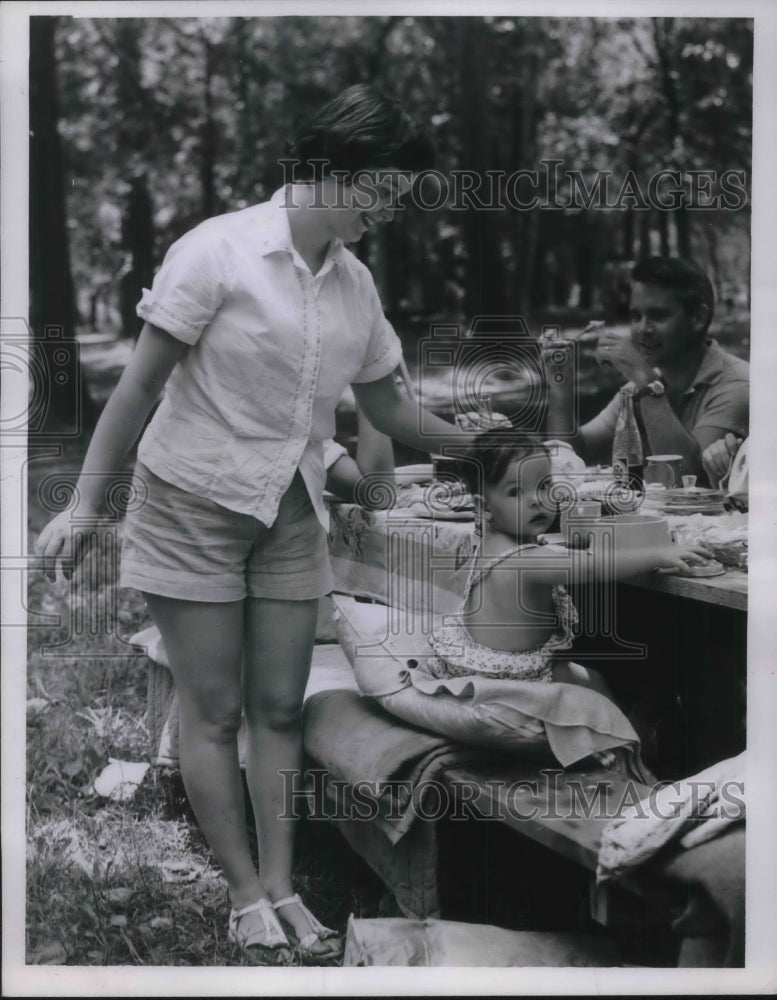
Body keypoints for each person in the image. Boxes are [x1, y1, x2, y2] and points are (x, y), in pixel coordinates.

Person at [36, 85, 477, 964]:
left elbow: (391, 404)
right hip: (190, 499)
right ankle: (243, 894)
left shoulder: (355, 284)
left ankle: (283, 886)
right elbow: (136, 389)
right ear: (335, 172)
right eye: (385, 188)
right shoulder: (219, 251)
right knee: (215, 707)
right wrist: (86, 507)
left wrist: (491, 444)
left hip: (290, 511)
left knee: (278, 707)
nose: (392, 207)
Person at [424, 429, 711, 761]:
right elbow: (591, 567)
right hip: (516, 682)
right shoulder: (527, 560)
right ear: (483, 506)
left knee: (593, 671)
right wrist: (658, 553)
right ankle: (629, 754)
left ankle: (633, 738)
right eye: (516, 491)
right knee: (603, 690)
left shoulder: (492, 544)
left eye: (545, 486)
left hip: (479, 668)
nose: (536, 499)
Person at [544, 256, 750, 483]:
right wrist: (560, 387)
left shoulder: (738, 385)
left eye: (658, 316)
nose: (643, 329)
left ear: (698, 319)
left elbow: (686, 478)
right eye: (635, 316)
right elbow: (571, 456)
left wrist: (646, 382)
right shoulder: (638, 389)